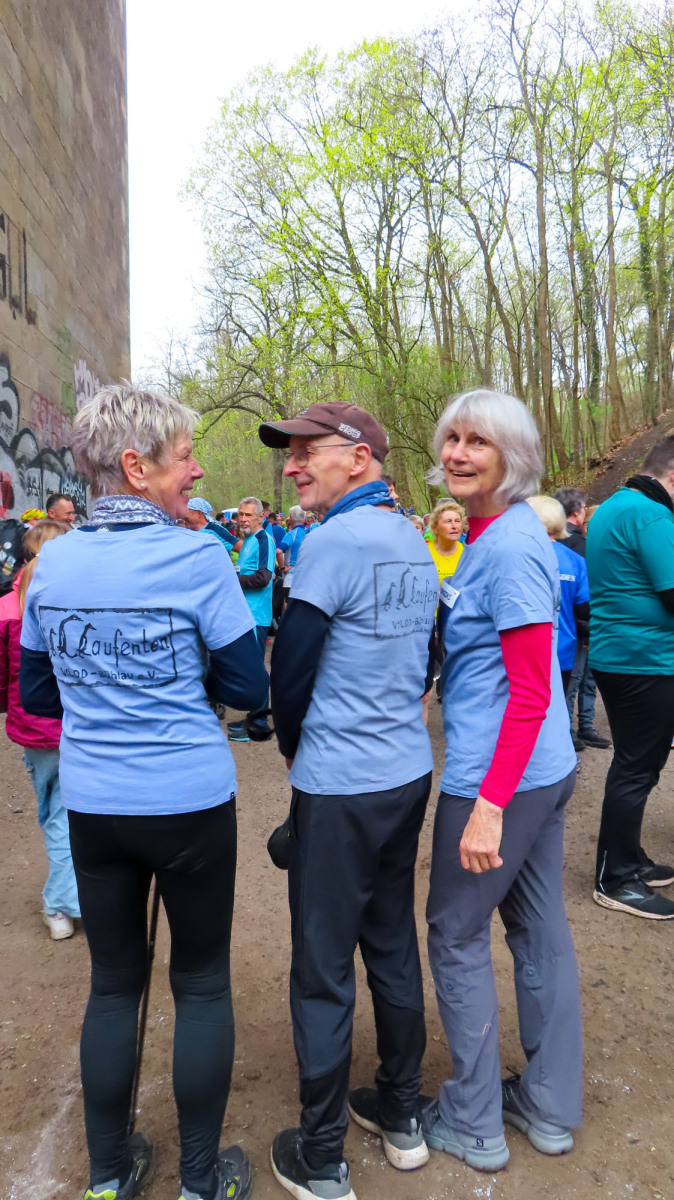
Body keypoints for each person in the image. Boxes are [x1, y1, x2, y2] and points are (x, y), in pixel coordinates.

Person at [19, 384, 267, 1200]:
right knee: (200, 984)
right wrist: (174, 682)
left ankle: (107, 1175)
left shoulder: (53, 564)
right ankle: (200, 1182)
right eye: (184, 457)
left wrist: (105, 690)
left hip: (96, 804)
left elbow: (39, 693)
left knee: (113, 985)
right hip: (189, 801)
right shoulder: (198, 559)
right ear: (136, 466)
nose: (195, 470)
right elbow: (248, 686)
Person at [258, 400, 438, 1200]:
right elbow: (429, 651)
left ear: (359, 457)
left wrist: (293, 747)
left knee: (323, 965)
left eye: (308, 451)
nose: (292, 465)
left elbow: (291, 667)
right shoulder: (411, 535)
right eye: (289, 453)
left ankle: (322, 1156)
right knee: (391, 942)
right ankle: (401, 1116)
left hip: (339, 784)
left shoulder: (331, 541)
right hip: (403, 773)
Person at [422, 388, 581, 1173]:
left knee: (454, 935)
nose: (457, 453)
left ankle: (474, 1119)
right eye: (452, 437)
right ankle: (548, 1106)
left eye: (477, 441)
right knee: (539, 928)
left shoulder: (513, 545)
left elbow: (530, 690)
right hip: (543, 770)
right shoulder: (492, 532)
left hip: (503, 777)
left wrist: (487, 806)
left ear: (511, 457)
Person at [586, 438, 674, 919]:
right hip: (645, 660)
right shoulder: (652, 516)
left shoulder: (614, 506)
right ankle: (615, 878)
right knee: (636, 768)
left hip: (618, 656)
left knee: (635, 763)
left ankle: (629, 857)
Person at [0, 518, 80, 940]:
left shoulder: (6, 609)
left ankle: (63, 903)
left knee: (57, 814)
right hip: (78, 724)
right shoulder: (79, 601)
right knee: (73, 814)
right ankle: (66, 901)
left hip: (34, 728)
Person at [554, 487, 609, 751]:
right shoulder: (579, 547)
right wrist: (589, 631)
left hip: (570, 626)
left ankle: (581, 727)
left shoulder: (557, 543)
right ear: (580, 511)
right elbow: (587, 595)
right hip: (578, 627)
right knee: (577, 680)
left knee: (581, 680)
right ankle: (572, 730)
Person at [526, 496, 590, 694]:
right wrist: (587, 639)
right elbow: (584, 609)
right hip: (563, 650)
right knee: (558, 704)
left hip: (524, 652)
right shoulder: (575, 560)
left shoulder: (519, 556)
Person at [226, 496, 276, 743]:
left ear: (260, 517)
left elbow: (264, 578)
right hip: (245, 614)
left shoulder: (264, 539)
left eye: (248, 515)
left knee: (255, 669)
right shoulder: (248, 540)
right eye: (241, 514)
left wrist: (230, 580)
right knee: (248, 668)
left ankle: (258, 723)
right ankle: (253, 717)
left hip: (257, 615)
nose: (243, 519)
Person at [427, 499, 464, 587]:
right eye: (448, 521)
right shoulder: (424, 553)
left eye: (457, 521)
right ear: (435, 528)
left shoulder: (467, 554)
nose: (454, 526)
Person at [278, 505, 309, 596]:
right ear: (305, 519)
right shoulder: (310, 533)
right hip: (308, 578)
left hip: (292, 578)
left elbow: (278, 551)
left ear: (290, 518)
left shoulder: (291, 534)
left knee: (288, 604)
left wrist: (282, 568)